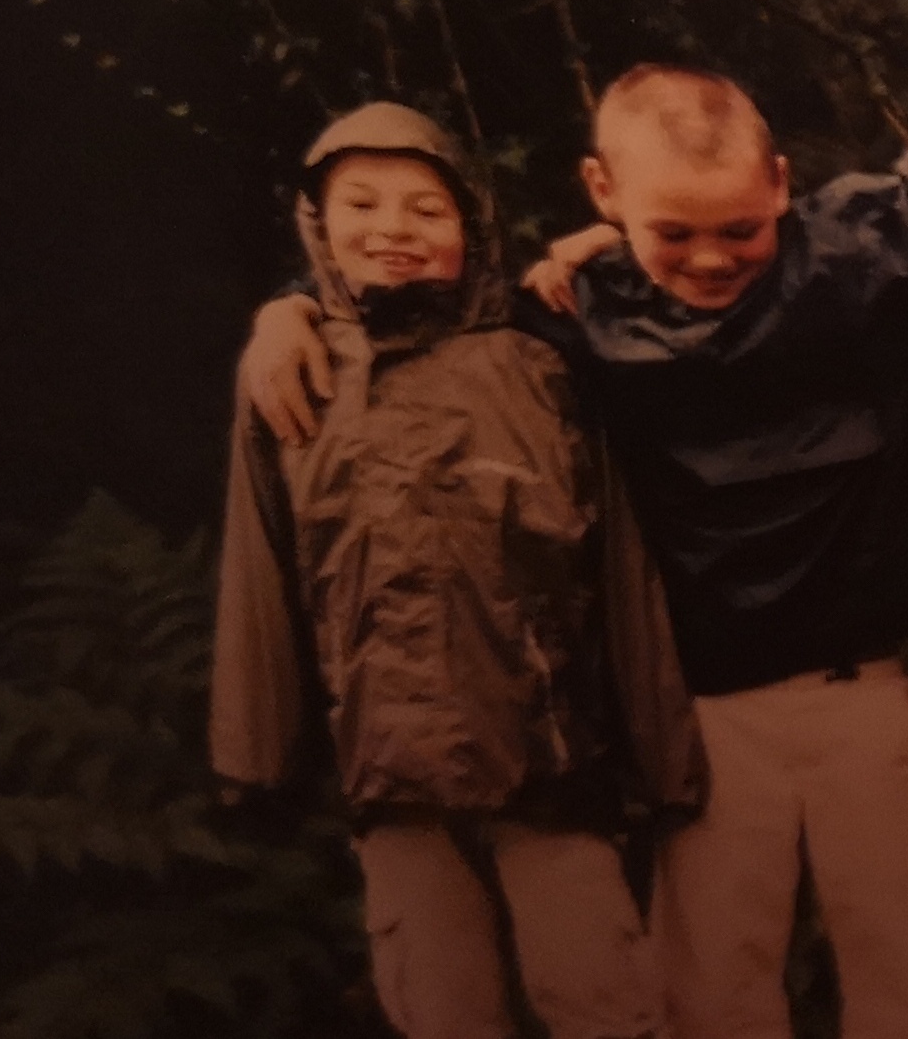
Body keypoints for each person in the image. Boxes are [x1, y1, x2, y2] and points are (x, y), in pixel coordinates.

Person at [243, 67, 908, 1039]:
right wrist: (292, 308)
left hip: (862, 692)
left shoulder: (860, 252)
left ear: (779, 183)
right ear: (604, 191)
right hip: (701, 716)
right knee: (712, 991)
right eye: (673, 233)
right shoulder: (570, 317)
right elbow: (418, 313)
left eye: (737, 228)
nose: (710, 258)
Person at [211, 102, 705, 1039]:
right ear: (318, 223)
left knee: (603, 1001)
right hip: (391, 776)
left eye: (426, 209)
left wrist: (664, 758)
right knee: (444, 1012)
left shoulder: (537, 362)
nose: (392, 229)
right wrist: (256, 753)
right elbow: (259, 559)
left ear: (471, 227)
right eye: (361, 204)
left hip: (547, 766)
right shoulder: (291, 371)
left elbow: (621, 564)